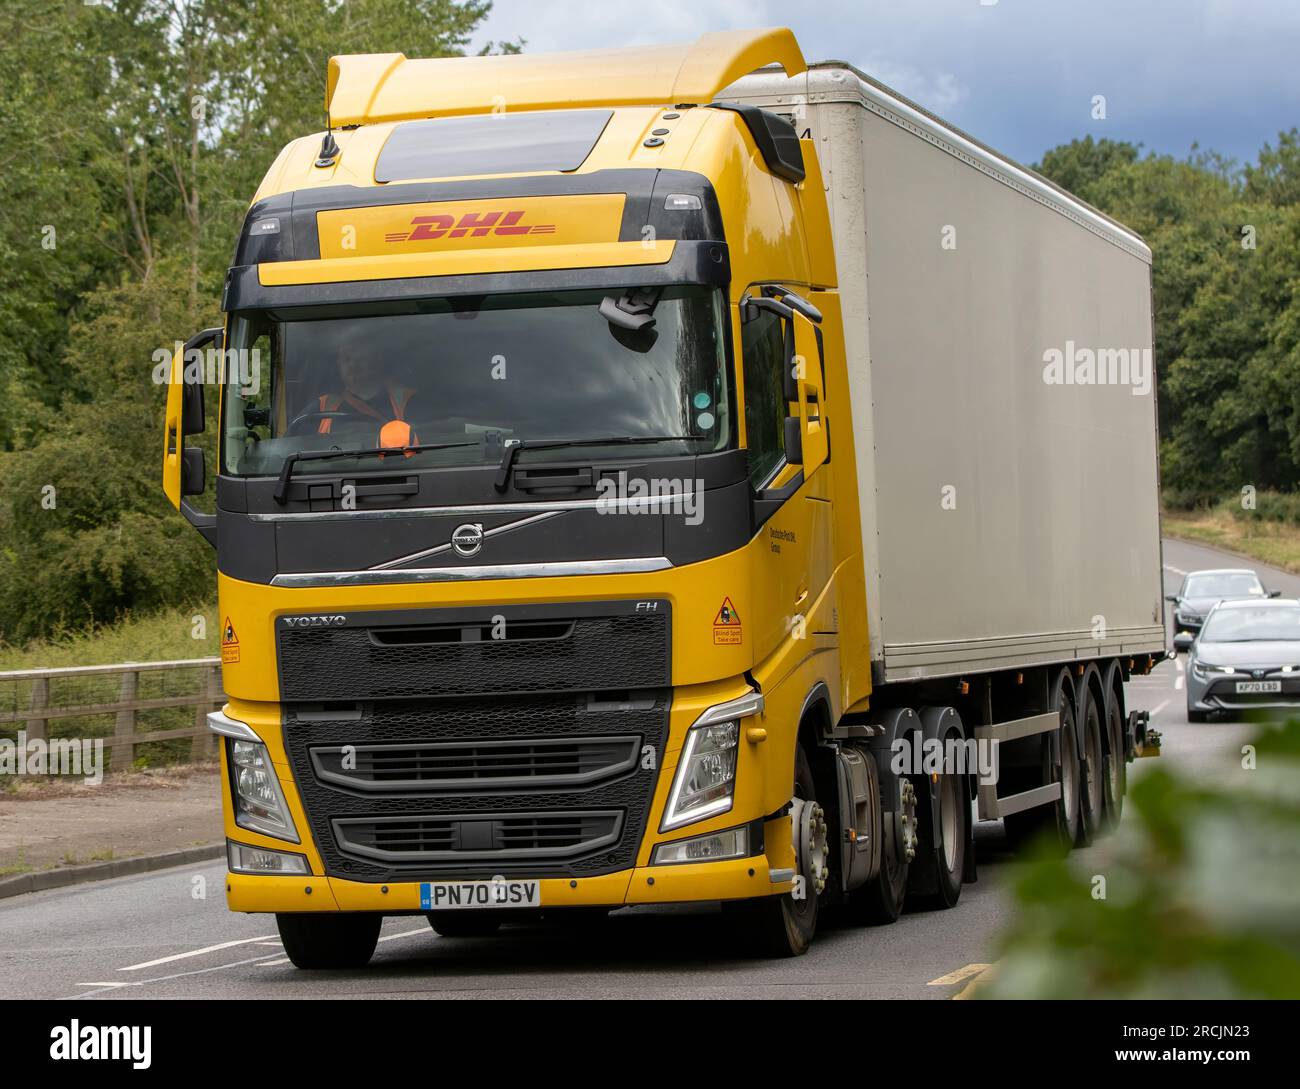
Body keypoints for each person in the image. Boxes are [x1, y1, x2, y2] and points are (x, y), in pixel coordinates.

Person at [314, 352, 419, 447]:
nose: (353, 365)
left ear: (377, 360)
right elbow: (300, 445)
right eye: (347, 359)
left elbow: (427, 439)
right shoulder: (322, 406)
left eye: (360, 359)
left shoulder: (407, 399)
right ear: (339, 364)